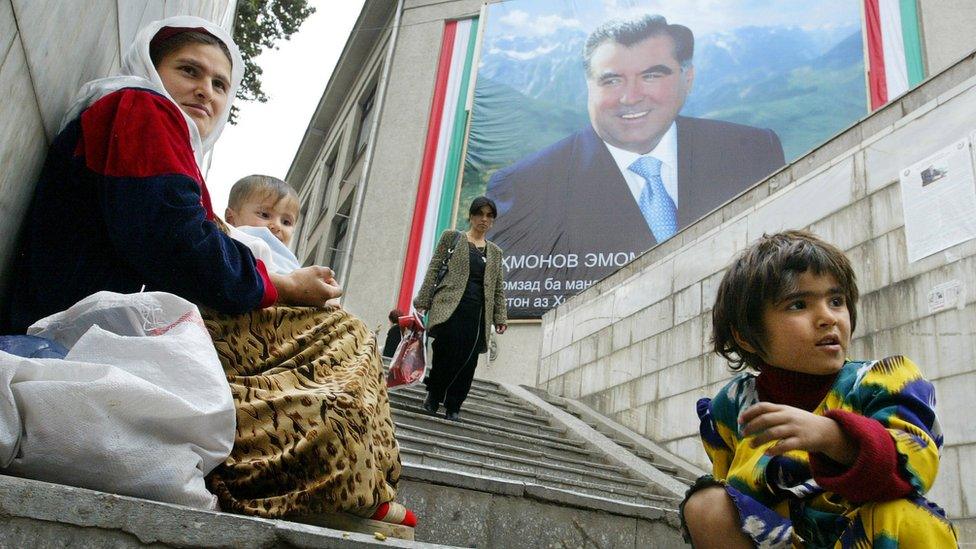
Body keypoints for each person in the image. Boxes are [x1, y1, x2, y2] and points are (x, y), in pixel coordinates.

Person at [2, 17, 414, 527]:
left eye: (220, 84)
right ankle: (321, 475)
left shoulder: (154, 123)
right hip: (78, 327)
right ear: (151, 71)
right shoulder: (142, 107)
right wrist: (283, 285)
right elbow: (176, 242)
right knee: (339, 333)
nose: (205, 90)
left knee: (332, 336)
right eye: (189, 71)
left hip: (109, 319)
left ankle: (351, 477)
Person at [486, 14, 785, 317]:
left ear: (688, 78)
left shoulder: (753, 152)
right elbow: (514, 306)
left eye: (652, 75)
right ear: (589, 86)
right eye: (612, 80)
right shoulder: (524, 187)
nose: (630, 97)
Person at [681, 230, 956, 547]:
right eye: (798, 304)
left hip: (860, 537)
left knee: (903, 516)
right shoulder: (731, 407)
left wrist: (834, 438)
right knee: (707, 504)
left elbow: (914, 470)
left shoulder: (882, 380)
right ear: (745, 335)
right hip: (784, 541)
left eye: (836, 301)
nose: (828, 317)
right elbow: (732, 499)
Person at [413, 197, 507, 421]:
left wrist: (500, 316)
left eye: (489, 216)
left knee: (469, 360)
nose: (484, 219)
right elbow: (434, 268)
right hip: (450, 306)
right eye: (480, 214)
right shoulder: (452, 238)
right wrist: (423, 300)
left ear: (492, 221)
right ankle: (434, 396)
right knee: (445, 351)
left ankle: (454, 405)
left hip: (478, 314)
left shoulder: (495, 252)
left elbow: (497, 289)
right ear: (471, 216)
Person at [224, 174, 302, 274]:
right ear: (231, 218)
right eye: (264, 215)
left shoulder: (289, 260)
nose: (277, 225)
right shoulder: (234, 242)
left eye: (286, 222)